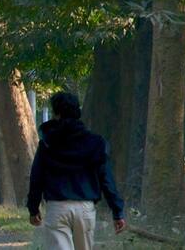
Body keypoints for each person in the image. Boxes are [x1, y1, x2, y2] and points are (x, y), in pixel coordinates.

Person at [27, 92, 126, 250]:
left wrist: (33, 208)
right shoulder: (95, 143)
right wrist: (117, 211)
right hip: (85, 209)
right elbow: (106, 179)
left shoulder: (47, 144)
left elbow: (36, 178)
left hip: (56, 208)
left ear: (56, 113)